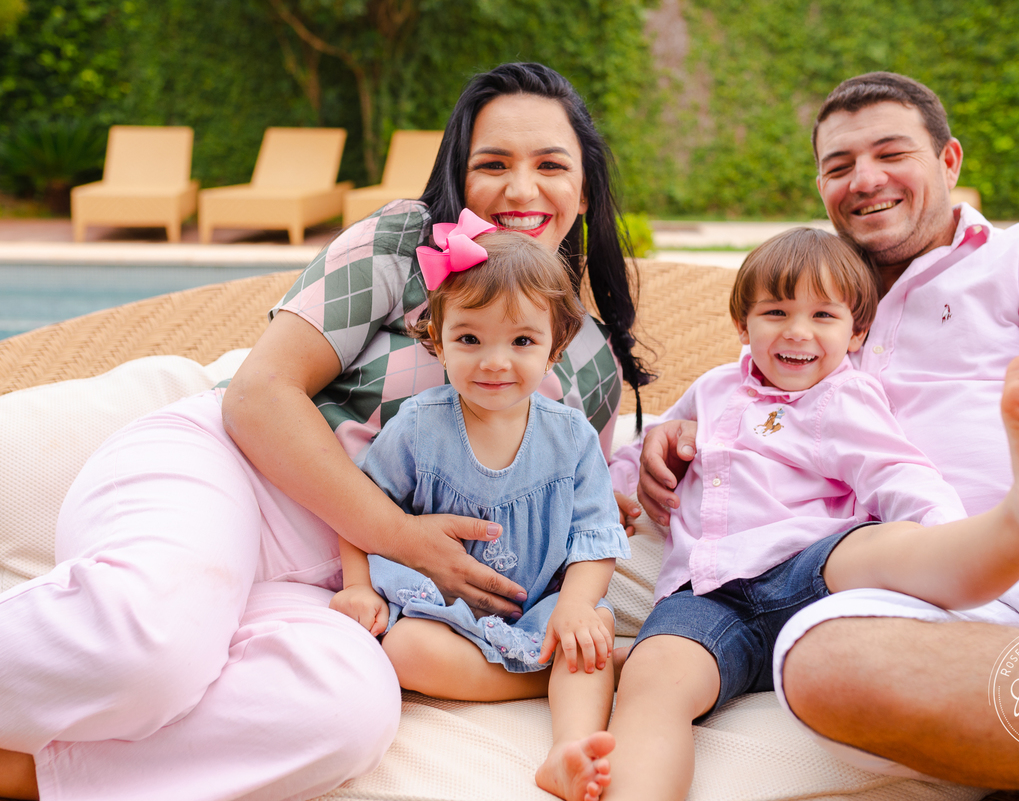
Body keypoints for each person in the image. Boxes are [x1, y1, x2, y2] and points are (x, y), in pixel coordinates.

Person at [0, 62, 652, 801]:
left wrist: (662, 453)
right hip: (234, 479)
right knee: (153, 642)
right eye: (493, 163)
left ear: (586, 189)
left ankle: (30, 773)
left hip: (348, 588)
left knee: (347, 713)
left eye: (551, 166)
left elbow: (579, 497)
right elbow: (259, 395)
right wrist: (399, 535)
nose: (521, 188)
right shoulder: (402, 242)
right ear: (457, 173)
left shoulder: (589, 357)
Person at [637, 72, 1019, 796]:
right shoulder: (820, 313)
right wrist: (669, 434)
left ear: (949, 161)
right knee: (824, 660)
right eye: (838, 167)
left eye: (890, 152)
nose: (864, 179)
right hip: (920, 572)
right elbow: (746, 407)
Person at [600, 224, 1019, 800]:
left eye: (824, 316)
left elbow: (897, 472)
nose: (797, 332)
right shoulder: (712, 391)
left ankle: (1018, 524)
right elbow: (643, 449)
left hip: (809, 569)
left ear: (857, 332)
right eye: (776, 312)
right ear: (742, 324)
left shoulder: (842, 396)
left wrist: (940, 527)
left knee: (882, 543)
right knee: (651, 680)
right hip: (705, 598)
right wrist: (619, 492)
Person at [334, 221, 629, 801]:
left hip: (540, 606)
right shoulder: (419, 425)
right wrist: (358, 586)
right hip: (445, 613)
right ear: (437, 342)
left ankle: (567, 749)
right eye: (470, 340)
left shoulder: (569, 434)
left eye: (521, 342)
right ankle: (540, 677)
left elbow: (597, 533)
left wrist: (572, 606)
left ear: (555, 347)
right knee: (405, 652)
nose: (495, 362)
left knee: (582, 636)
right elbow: (363, 507)